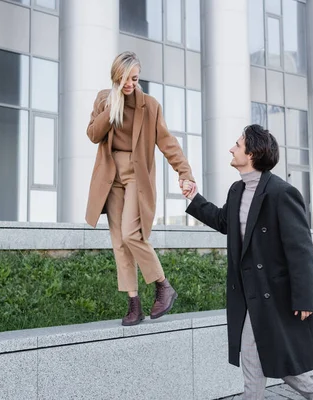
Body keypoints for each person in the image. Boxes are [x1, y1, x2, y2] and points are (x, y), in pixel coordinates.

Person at [180, 125, 313, 400]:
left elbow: (301, 250)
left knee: (258, 355)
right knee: (268, 355)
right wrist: (193, 199)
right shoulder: (237, 190)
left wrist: (305, 298)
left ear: (253, 153)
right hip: (247, 293)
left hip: (274, 293)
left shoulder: (282, 193)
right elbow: (224, 221)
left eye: (237, 144)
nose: (232, 149)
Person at [85, 51, 195, 326]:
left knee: (131, 234)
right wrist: (112, 107)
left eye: (135, 78)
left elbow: (168, 143)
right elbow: (92, 134)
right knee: (119, 242)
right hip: (111, 178)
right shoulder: (103, 99)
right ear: (116, 76)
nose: (132, 83)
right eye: (126, 78)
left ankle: (163, 285)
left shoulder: (149, 106)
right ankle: (134, 304)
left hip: (137, 176)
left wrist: (185, 172)